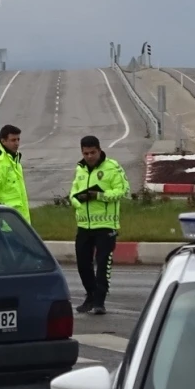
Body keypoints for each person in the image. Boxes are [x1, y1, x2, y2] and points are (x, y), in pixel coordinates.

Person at [68, 135, 128, 315]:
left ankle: (99, 301)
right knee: (83, 264)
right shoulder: (80, 169)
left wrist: (99, 195)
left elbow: (123, 190)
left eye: (92, 152)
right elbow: (73, 191)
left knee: (102, 264)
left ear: (99, 150)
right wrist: (76, 200)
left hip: (105, 225)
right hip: (84, 225)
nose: (89, 156)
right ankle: (91, 295)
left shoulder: (112, 167)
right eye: (85, 153)